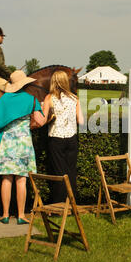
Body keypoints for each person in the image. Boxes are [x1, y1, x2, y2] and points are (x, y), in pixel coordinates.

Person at [0, 70, 44, 224]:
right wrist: (31, 124)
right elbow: (40, 121)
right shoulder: (31, 99)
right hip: (23, 144)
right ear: (25, 83)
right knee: (21, 180)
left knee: (6, 179)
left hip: (6, 143)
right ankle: (21, 215)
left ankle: (5, 215)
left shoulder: (4, 99)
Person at [41, 70, 84, 203]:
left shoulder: (49, 98)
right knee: (71, 171)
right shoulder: (75, 98)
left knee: (58, 172)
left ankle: (59, 204)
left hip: (56, 138)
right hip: (71, 139)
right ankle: (72, 202)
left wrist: (42, 109)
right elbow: (81, 121)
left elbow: (42, 121)